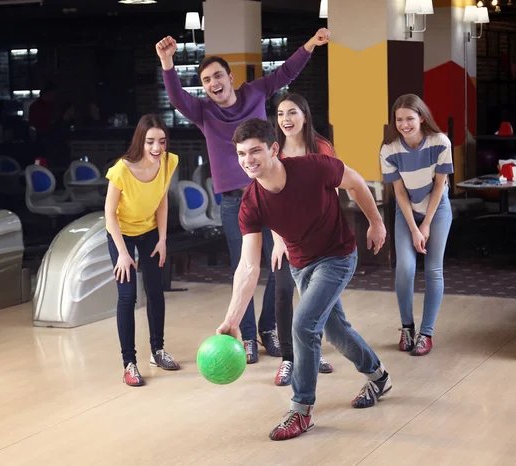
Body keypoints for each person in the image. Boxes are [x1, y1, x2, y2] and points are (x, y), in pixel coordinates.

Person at [155, 28, 330, 365]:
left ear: (230, 77)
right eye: (206, 80)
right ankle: (247, 336)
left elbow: (285, 73)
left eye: (218, 75)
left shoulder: (254, 92)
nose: (213, 83)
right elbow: (177, 98)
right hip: (235, 202)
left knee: (280, 263)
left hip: (271, 193)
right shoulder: (204, 112)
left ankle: (270, 329)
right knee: (244, 267)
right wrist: (167, 62)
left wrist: (309, 44)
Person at [217, 118, 392, 441]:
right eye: (241, 154)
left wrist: (376, 223)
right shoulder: (251, 203)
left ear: (273, 149)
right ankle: (378, 376)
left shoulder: (314, 167)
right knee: (335, 330)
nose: (247, 160)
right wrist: (232, 319)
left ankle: (301, 411)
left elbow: (355, 182)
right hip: (301, 265)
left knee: (303, 324)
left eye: (255, 151)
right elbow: (248, 265)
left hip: (338, 255)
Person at [104, 114, 181, 387]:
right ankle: (129, 363)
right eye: (150, 142)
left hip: (150, 232)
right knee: (127, 296)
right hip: (121, 233)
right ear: (141, 141)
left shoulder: (169, 162)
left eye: (161, 141)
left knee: (155, 290)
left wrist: (162, 239)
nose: (157, 148)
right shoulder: (121, 170)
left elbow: (162, 202)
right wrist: (123, 254)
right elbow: (109, 214)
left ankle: (157, 350)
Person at [270, 93, 336, 386]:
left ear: (305, 116)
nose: (286, 119)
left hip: (320, 236)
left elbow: (334, 190)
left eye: (293, 113)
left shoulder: (321, 148)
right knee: (283, 290)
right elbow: (269, 197)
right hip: (286, 236)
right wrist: (278, 240)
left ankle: (311, 351)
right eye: (281, 113)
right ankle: (288, 358)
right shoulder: (274, 152)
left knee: (314, 298)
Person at [379, 94, 453, 357]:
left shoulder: (440, 142)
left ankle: (426, 333)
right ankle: (407, 327)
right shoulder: (389, 149)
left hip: (437, 209)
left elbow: (440, 185)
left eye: (410, 118)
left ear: (421, 117)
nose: (404, 124)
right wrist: (413, 228)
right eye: (399, 120)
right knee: (405, 268)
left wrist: (427, 225)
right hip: (407, 211)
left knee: (433, 270)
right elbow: (399, 193)